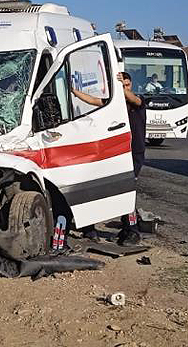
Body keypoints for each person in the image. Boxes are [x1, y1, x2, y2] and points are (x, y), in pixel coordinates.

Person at [71, 72, 145, 246]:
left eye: (127, 85)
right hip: (114, 153)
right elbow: (92, 101)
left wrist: (120, 88)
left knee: (127, 191)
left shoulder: (138, 102)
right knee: (97, 188)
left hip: (133, 154)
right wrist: (73, 91)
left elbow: (134, 99)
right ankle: (89, 228)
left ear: (131, 85)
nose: (125, 88)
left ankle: (132, 231)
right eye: (122, 85)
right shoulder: (113, 103)